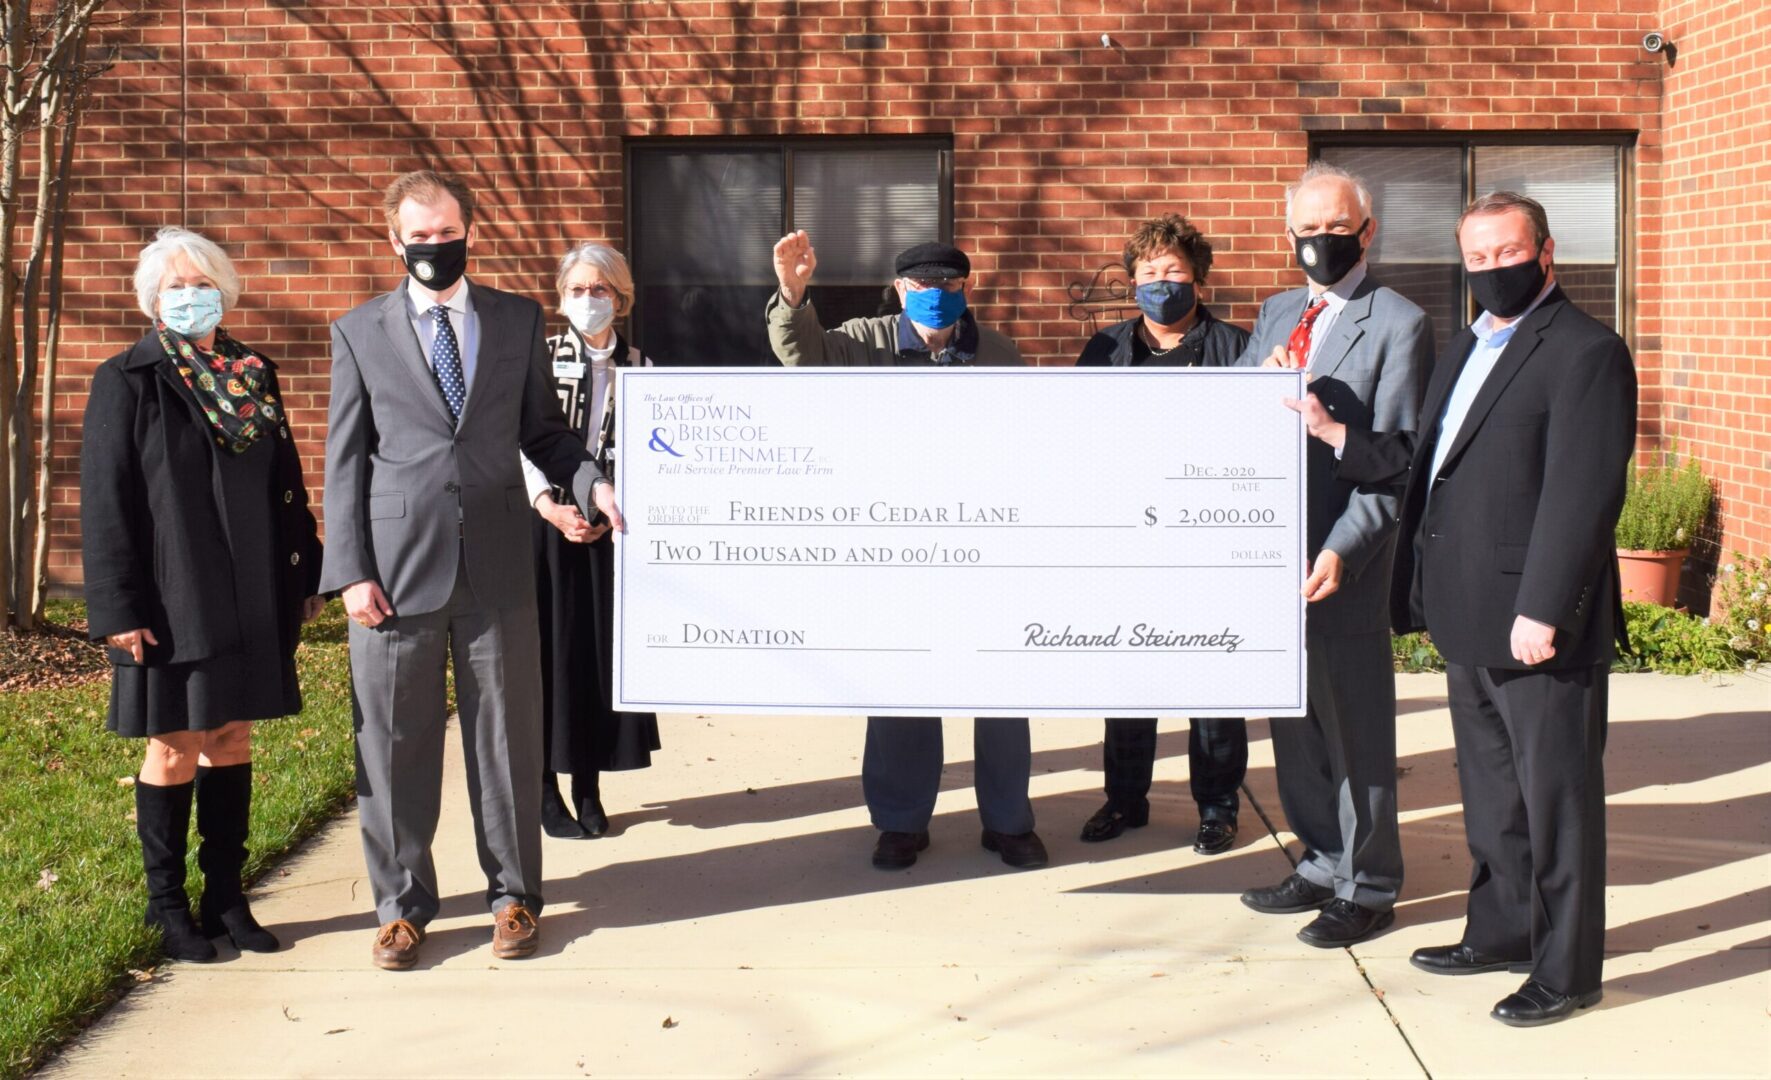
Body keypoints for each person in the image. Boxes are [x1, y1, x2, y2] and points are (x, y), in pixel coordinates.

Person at [1288, 191, 1635, 1026]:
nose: (1490, 270)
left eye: (1506, 254)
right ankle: (1502, 930)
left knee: (1555, 804)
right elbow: (1424, 457)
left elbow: (1582, 496)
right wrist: (1339, 438)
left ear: (1546, 254)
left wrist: (1545, 606)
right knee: (1491, 796)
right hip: (1464, 611)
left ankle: (1566, 969)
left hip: (1533, 619)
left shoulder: (1586, 352)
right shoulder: (1470, 343)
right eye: (1474, 258)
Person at [321, 171, 622, 971]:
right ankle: (401, 907)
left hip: (497, 568)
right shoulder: (357, 332)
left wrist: (591, 480)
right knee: (392, 749)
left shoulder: (517, 319)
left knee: (508, 742)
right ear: (395, 241)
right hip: (393, 574)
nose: (434, 246)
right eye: (418, 236)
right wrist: (349, 571)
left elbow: (545, 434)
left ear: (468, 230)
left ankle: (514, 898)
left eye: (446, 231)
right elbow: (344, 461)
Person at [81, 227, 324, 962]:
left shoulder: (254, 373)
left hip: (251, 585)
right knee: (174, 743)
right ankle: (167, 907)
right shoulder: (126, 378)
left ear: (225, 288)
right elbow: (106, 501)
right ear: (153, 299)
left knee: (230, 737)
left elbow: (286, 482)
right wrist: (118, 607)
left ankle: (226, 897)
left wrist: (304, 567)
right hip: (169, 593)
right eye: (176, 286)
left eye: (202, 281)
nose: (190, 294)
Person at [766, 232, 1044, 870]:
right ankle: (900, 822)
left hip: (983, 544)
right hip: (894, 545)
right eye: (921, 287)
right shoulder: (864, 341)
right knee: (900, 685)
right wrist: (793, 292)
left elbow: (1025, 441)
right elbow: (800, 355)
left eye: (948, 286)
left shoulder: (999, 354)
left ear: (964, 289)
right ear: (899, 291)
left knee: (1000, 687)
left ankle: (1008, 821)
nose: (936, 298)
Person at [1233, 161, 1432, 947]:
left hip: (1343, 556)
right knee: (1296, 723)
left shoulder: (1397, 322)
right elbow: (1243, 425)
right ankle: (1319, 859)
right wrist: (1260, 381)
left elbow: (1394, 463)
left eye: (1335, 228)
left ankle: (1370, 880)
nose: (1320, 242)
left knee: (1355, 729)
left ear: (1366, 231)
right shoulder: (1278, 310)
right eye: (1306, 231)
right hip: (1272, 552)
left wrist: (1345, 550)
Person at [1075, 213, 1251, 855]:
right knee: (1129, 680)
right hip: (1128, 542)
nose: (1161, 281)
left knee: (1214, 685)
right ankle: (1125, 799)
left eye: (1173, 269)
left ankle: (1218, 806)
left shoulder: (1240, 348)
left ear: (1198, 278)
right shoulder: (1104, 351)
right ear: (1131, 282)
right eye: (1148, 272)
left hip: (1210, 542)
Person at [520, 242, 660, 839]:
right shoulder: (539, 358)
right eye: (576, 289)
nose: (587, 300)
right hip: (544, 528)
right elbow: (516, 441)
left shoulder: (643, 367)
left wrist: (611, 509)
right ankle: (544, 788)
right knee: (548, 657)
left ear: (620, 297)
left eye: (599, 289)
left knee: (597, 661)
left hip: (610, 534)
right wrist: (550, 506)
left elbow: (657, 452)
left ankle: (589, 784)